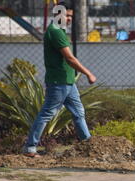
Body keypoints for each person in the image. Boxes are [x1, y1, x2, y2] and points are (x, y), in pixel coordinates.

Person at [23, 1, 96, 158]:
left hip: (68, 82)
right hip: (58, 83)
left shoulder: (60, 31)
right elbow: (69, 58)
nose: (69, 19)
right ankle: (30, 147)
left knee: (78, 113)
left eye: (70, 16)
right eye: (66, 15)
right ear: (57, 14)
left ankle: (88, 144)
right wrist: (88, 73)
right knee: (46, 114)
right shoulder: (55, 31)